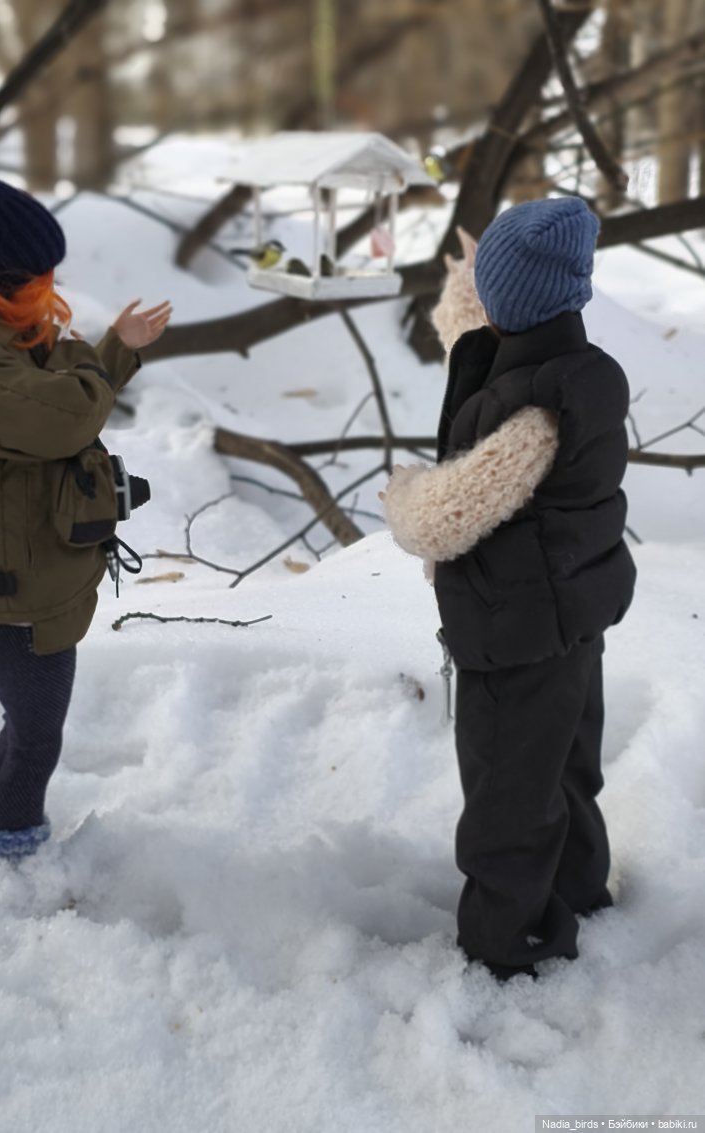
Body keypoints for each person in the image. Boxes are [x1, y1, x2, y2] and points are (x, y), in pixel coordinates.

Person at [381, 198, 636, 980]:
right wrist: (469, 274)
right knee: (562, 763)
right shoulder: (564, 363)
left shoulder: (533, 412)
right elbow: (472, 332)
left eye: (488, 285)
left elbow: (450, 514)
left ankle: (508, 949)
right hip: (567, 614)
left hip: (515, 628)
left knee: (507, 795)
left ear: (511, 302)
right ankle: (579, 888)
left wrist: (404, 498)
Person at [0, 167, 172, 861]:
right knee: (38, 732)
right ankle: (12, 848)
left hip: (24, 566)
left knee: (27, 723)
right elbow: (66, 411)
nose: (50, 296)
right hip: (11, 583)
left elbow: (58, 379)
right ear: (1, 280)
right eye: (37, 283)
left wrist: (112, 349)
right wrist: (104, 356)